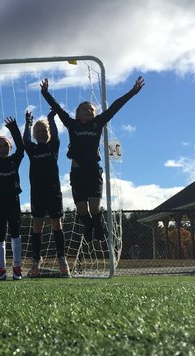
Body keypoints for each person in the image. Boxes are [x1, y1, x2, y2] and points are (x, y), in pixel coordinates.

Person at [41, 76, 145, 241]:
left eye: (91, 109)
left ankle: (98, 227)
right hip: (77, 172)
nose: (88, 111)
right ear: (77, 113)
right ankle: (90, 225)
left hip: (93, 171)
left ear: (95, 114)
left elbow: (115, 107)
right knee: (82, 209)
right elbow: (58, 109)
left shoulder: (98, 123)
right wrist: (45, 93)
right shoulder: (72, 124)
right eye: (84, 109)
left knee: (95, 207)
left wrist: (132, 92)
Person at [23, 109, 69, 277]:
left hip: (54, 192)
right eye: (38, 132)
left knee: (57, 224)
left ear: (48, 133)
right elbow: (25, 140)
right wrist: (28, 124)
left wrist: (51, 119)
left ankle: (61, 258)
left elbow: (56, 134)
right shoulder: (32, 149)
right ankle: (36, 260)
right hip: (37, 193)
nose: (41, 134)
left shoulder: (53, 146)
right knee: (37, 226)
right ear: (35, 134)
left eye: (44, 131)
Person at [0, 119, 25, 280]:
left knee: (15, 232)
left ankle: (16, 267)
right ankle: (1, 268)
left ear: (10, 147)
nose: (2, 148)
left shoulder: (15, 159)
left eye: (5, 145)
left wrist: (14, 128)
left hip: (13, 200)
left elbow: (21, 148)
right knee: (0, 233)